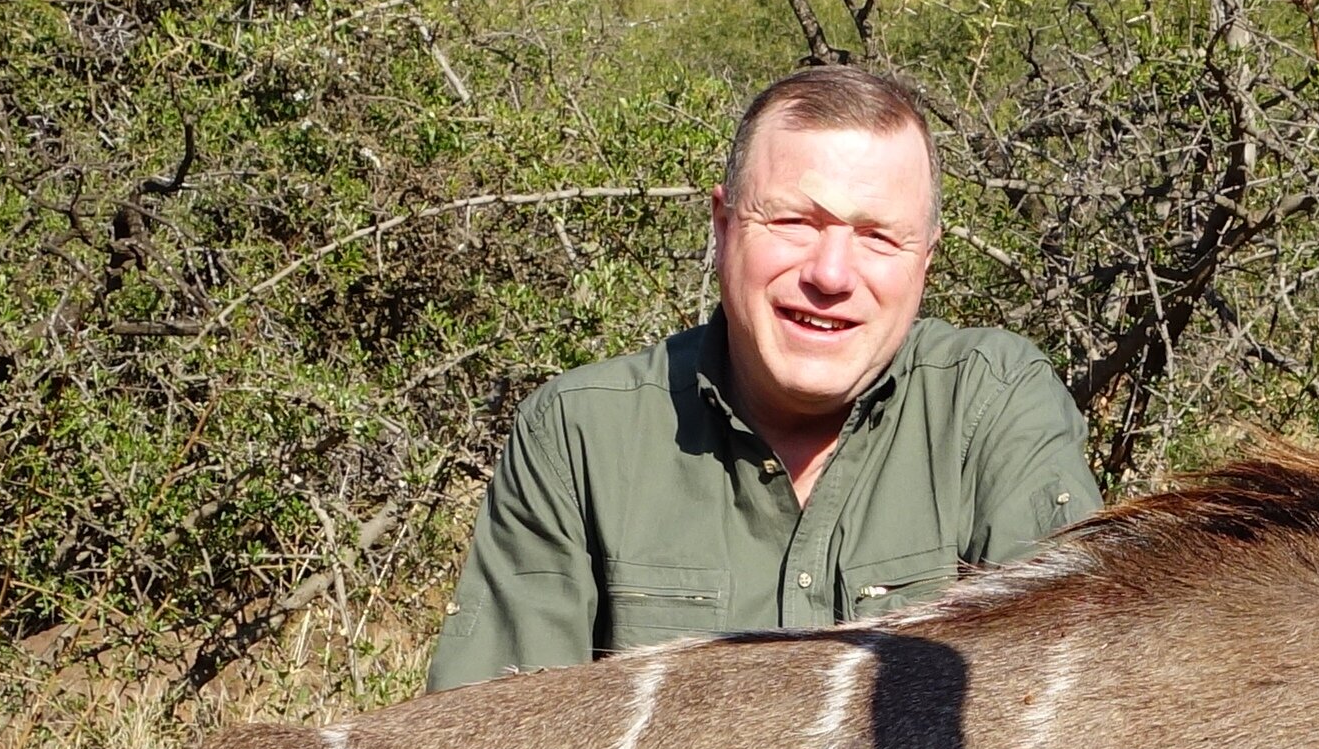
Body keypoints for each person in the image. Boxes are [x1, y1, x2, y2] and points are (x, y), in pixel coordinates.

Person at [427, 65, 1098, 688]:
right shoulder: (580, 435)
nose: (829, 276)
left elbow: (1063, 719)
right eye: (792, 222)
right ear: (722, 227)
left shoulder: (994, 405)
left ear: (925, 258)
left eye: (877, 237)